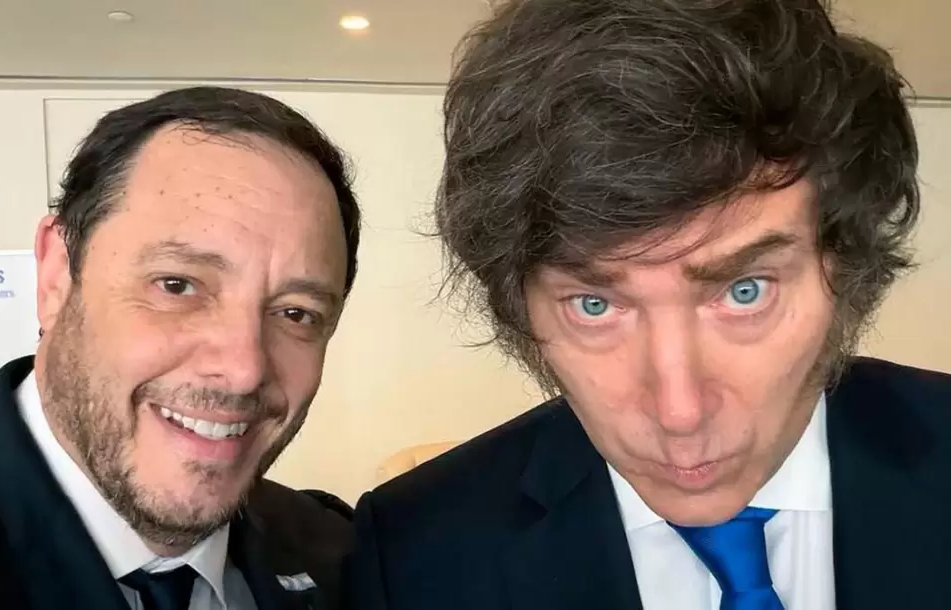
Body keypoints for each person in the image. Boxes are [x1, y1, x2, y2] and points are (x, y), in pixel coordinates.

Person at [343, 1, 951, 609]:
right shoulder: (414, 556)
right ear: (520, 310)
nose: (679, 413)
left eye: (745, 291)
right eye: (593, 305)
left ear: (845, 267)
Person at [0, 86, 360, 610]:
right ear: (57, 274)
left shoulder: (347, 560)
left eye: (295, 313)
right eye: (178, 285)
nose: (243, 369)